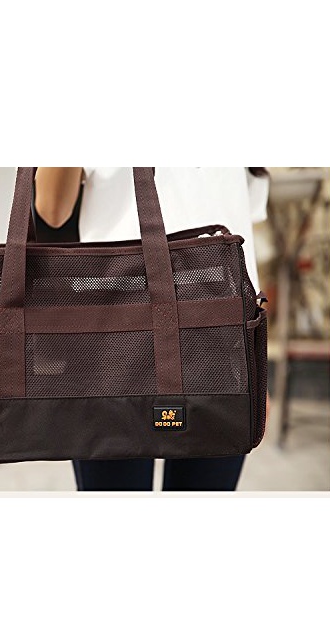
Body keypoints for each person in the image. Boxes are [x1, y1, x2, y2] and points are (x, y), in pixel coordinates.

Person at [32, 167, 269, 492]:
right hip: (112, 335)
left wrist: (256, 360)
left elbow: (241, 231)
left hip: (222, 335)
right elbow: (51, 208)